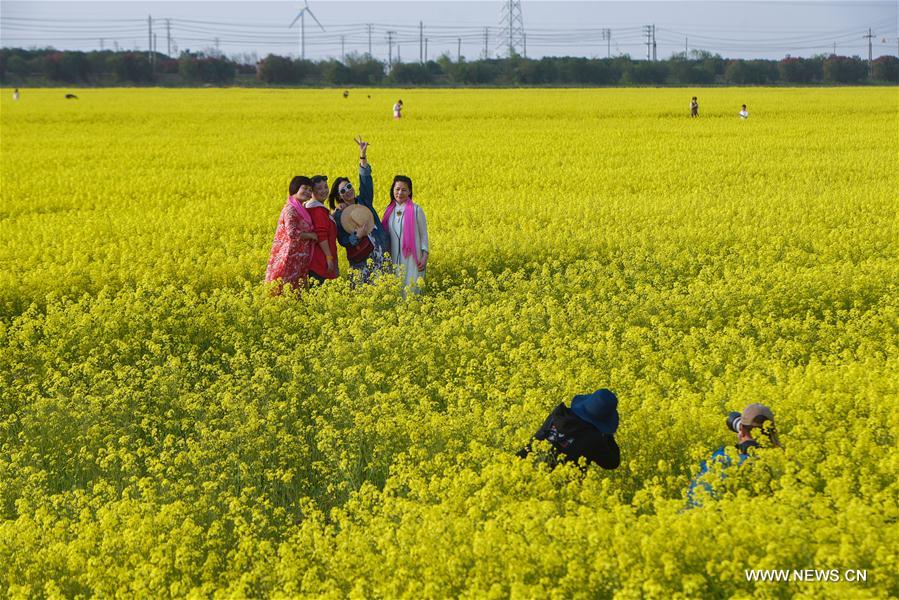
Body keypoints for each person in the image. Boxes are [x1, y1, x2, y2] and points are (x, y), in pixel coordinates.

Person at [687, 403, 782, 506]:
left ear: (740, 428)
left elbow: (694, 497)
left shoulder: (721, 459)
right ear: (772, 432)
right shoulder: (780, 463)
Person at [330, 137, 389, 284]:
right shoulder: (339, 215)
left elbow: (366, 180)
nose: (348, 191)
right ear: (339, 196)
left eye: (349, 186)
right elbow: (342, 240)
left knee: (385, 287)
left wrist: (362, 156)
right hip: (361, 260)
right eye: (343, 191)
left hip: (380, 252)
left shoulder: (364, 201)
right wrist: (357, 236)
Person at [517, 389, 621, 470]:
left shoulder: (558, 415)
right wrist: (606, 434)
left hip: (520, 466)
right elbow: (612, 463)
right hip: (556, 488)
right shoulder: (594, 438)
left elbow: (537, 438)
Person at [265, 176, 319, 293]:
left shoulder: (300, 208)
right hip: (289, 259)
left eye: (310, 190)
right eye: (304, 188)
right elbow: (291, 232)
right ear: (295, 188)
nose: (308, 192)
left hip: (298, 259)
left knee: (295, 293)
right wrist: (311, 235)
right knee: (285, 291)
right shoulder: (291, 209)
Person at [382, 175, 428, 293]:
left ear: (410, 191)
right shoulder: (388, 211)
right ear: (393, 190)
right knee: (395, 291)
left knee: (411, 290)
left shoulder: (417, 210)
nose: (400, 193)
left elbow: (424, 235)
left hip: (412, 258)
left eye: (404, 190)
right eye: (397, 189)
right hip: (393, 259)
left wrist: (424, 256)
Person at [305, 174, 338, 284]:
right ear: (311, 192)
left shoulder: (312, 207)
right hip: (321, 262)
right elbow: (321, 235)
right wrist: (329, 257)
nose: (324, 191)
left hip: (315, 261)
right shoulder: (317, 210)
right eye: (319, 189)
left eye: (325, 187)